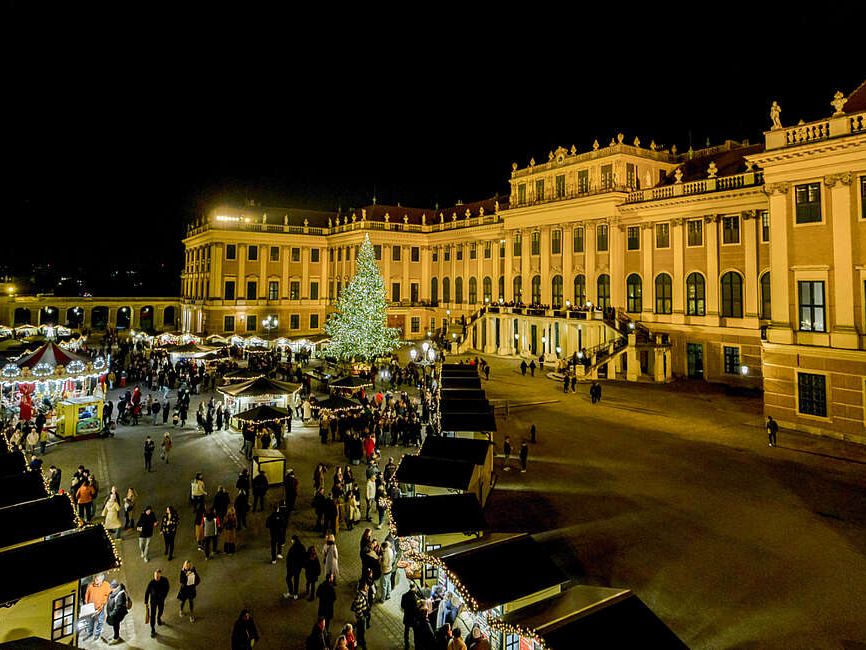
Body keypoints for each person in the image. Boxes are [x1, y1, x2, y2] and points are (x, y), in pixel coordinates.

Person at [83, 574, 112, 641]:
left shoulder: (106, 585)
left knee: (100, 621)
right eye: (95, 579)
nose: (95, 581)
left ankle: (97, 634)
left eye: (97, 580)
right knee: (90, 621)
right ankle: (90, 633)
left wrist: (103, 604)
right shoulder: (90, 586)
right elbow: (87, 595)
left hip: (100, 608)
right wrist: (87, 604)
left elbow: (109, 594)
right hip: (91, 608)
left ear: (101, 580)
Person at [144, 569, 170, 638]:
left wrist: (164, 596)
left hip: (161, 600)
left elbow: (167, 588)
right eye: (155, 576)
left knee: (161, 610)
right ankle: (152, 629)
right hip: (153, 601)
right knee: (152, 615)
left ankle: (158, 618)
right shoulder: (151, 583)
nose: (156, 577)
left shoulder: (164, 580)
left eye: (158, 576)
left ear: (160, 575)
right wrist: (146, 602)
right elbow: (147, 592)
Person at [104, 579, 130, 645]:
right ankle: (115, 635)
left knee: (116, 625)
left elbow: (118, 608)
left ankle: (116, 638)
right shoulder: (114, 592)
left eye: (111, 588)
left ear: (115, 588)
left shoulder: (120, 595)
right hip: (113, 614)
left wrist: (111, 615)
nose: (111, 590)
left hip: (117, 615)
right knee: (115, 625)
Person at [351, 582, 371, 650]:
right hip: (361, 618)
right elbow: (358, 610)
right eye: (366, 586)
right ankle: (362, 644)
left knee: (361, 630)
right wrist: (362, 617)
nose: (367, 587)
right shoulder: (359, 597)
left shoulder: (364, 593)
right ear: (362, 588)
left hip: (363, 616)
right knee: (362, 631)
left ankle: (359, 641)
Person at [401, 582, 421, 650]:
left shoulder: (404, 595)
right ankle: (416, 645)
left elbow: (402, 606)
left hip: (407, 616)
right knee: (415, 632)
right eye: (416, 588)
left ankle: (406, 644)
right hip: (413, 618)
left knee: (406, 631)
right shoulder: (414, 598)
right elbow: (415, 609)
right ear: (414, 587)